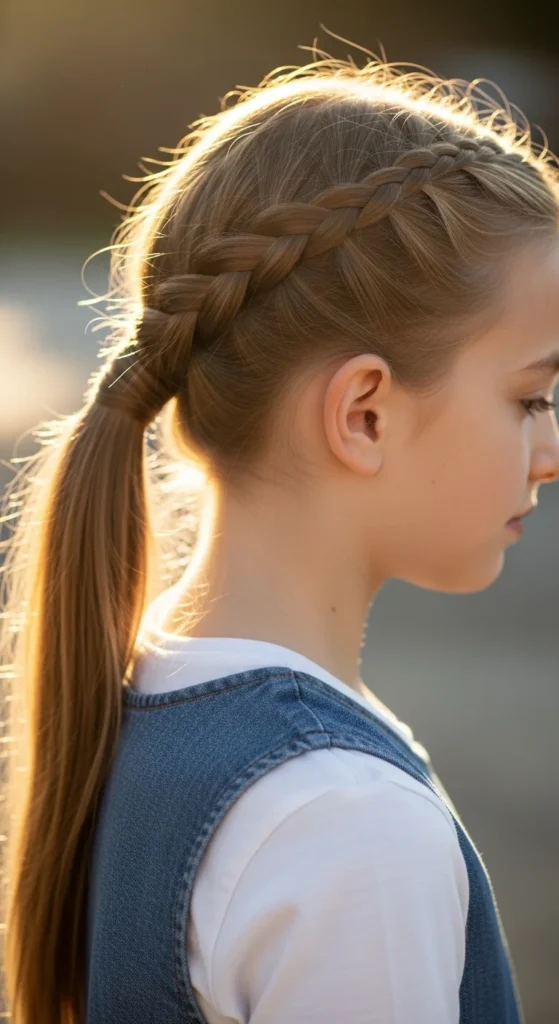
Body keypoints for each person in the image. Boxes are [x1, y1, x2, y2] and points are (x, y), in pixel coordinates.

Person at [2, 46, 559, 1024]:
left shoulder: (140, 694)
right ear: (364, 414)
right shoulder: (346, 824)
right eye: (529, 397)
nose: (548, 452)